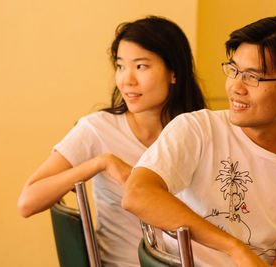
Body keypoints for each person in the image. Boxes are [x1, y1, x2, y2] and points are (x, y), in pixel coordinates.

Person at [122, 16, 276, 267]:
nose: (235, 87)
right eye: (234, 71)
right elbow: (136, 194)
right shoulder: (197, 130)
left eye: (252, 77)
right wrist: (235, 249)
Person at [17, 16, 206, 267]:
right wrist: (100, 163)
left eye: (141, 66)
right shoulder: (98, 129)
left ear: (174, 73)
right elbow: (27, 202)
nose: (127, 80)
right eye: (120, 66)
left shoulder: (201, 131)